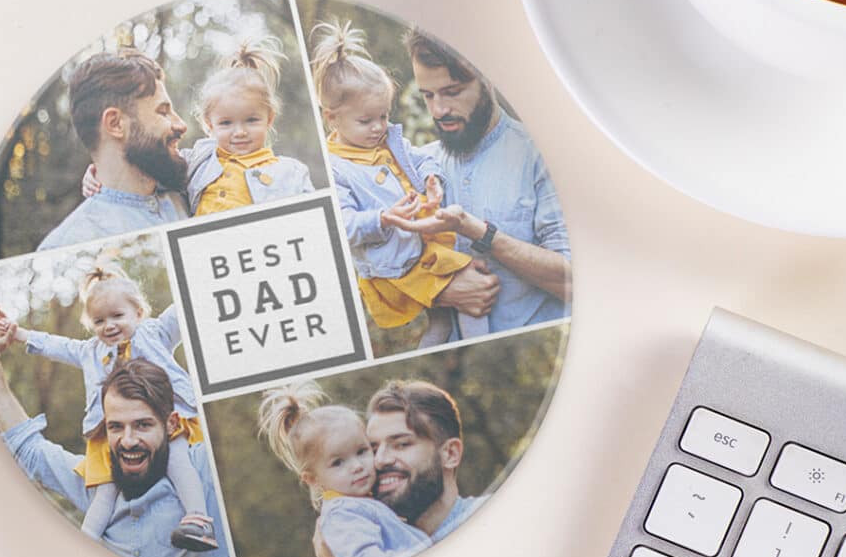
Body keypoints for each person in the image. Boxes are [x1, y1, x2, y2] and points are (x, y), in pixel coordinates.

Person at [0, 313, 234, 557]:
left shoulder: (203, 470)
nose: (127, 440)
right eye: (115, 427)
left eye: (142, 425)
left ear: (171, 424)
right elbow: (28, 448)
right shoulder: (96, 483)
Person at [309, 19, 494, 346]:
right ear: (331, 117)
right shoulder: (334, 168)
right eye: (366, 120)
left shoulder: (387, 141)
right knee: (473, 293)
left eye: (383, 116)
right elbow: (342, 225)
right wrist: (382, 218)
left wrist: (431, 177)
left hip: (424, 244)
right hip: (397, 265)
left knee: (443, 323)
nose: (378, 127)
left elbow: (420, 157)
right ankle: (481, 346)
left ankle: (462, 344)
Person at [6, 265, 216, 551]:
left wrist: (205, 272)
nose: (109, 326)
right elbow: (57, 345)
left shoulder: (155, 333)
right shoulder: (89, 351)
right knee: (104, 493)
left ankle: (199, 521)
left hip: (166, 422)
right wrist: (20, 334)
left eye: (118, 316)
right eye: (99, 320)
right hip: (112, 434)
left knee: (178, 461)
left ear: (138, 313)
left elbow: (181, 309)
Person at [385, 30, 572, 334]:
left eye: (453, 92)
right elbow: (376, 268)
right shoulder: (418, 167)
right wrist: (439, 290)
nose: (438, 110)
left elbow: (575, 282)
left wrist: (480, 233)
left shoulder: (542, 155)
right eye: (428, 95)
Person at [83, 37, 315, 215]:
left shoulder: (290, 173)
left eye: (252, 120)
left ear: (270, 119)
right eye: (226, 123)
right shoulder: (197, 161)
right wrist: (98, 174)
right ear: (208, 125)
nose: (240, 132)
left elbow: (314, 218)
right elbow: (149, 168)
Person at [259, 380, 430, 557]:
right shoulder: (342, 514)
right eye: (338, 462)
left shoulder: (364, 501)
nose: (357, 466)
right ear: (313, 479)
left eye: (362, 451)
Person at [314, 379, 481, 557]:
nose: (380, 460)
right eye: (372, 449)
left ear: (450, 454)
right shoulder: (361, 538)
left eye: (401, 444)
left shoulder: (492, 517)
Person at [38, 51, 190, 251]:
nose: (181, 125)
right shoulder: (66, 248)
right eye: (163, 112)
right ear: (115, 123)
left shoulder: (194, 190)